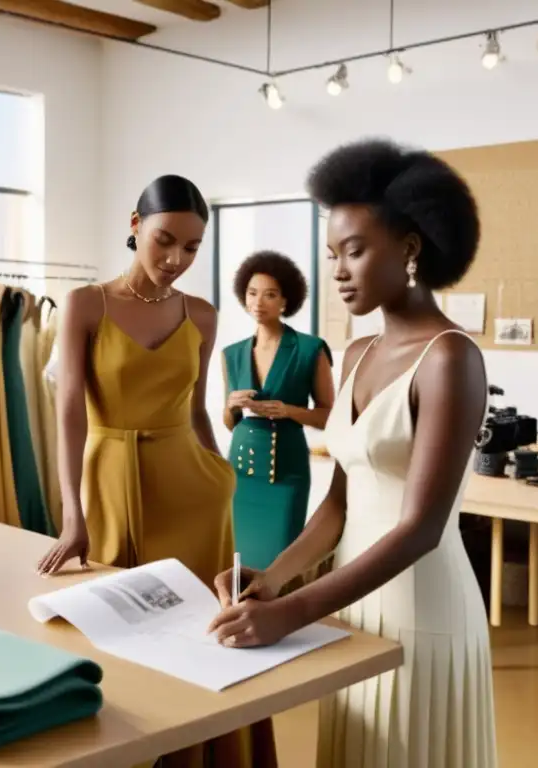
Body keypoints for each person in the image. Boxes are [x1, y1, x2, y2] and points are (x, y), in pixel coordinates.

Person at [208, 139, 497, 767]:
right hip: (352, 599)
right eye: (333, 252)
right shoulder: (357, 353)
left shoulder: (450, 358)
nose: (338, 270)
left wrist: (291, 613)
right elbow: (339, 501)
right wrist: (274, 577)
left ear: (411, 250)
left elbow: (421, 529)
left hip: (423, 605)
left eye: (356, 251)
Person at [36, 175, 277, 767]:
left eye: (192, 248)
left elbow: (196, 410)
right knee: (120, 641)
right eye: (165, 240)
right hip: (108, 481)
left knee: (203, 640)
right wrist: (73, 513)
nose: (176, 259)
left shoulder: (202, 314)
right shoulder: (86, 303)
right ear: (135, 225)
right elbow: (69, 409)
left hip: (195, 494)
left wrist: (220, 474)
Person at [222, 251, 334, 572]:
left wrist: (289, 411)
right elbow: (231, 424)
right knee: (239, 558)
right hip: (241, 470)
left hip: (287, 469)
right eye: (252, 293)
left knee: (279, 560)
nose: (259, 302)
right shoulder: (232, 354)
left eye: (270, 294)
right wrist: (231, 405)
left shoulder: (310, 348)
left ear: (286, 301)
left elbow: (329, 415)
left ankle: (282, 615)